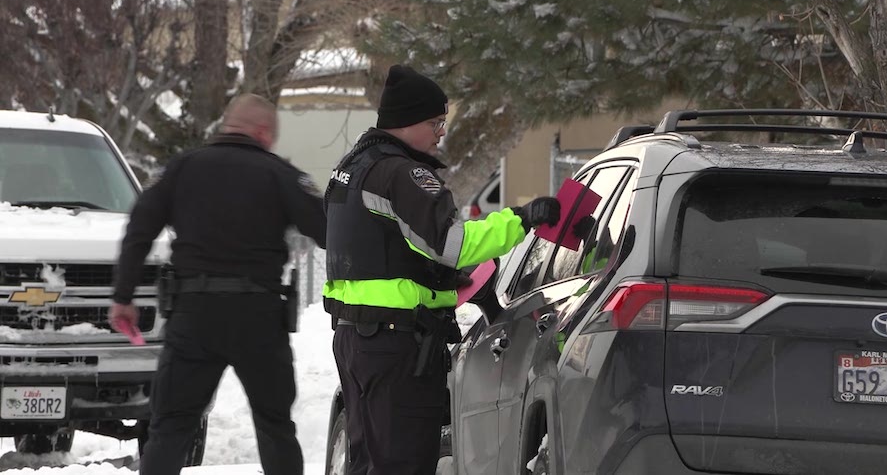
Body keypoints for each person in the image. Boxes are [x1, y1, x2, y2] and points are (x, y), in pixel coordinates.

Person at [323, 64, 561, 475]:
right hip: (397, 345)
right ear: (407, 120)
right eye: (435, 122)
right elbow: (454, 244)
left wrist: (438, 278)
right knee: (403, 464)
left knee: (368, 464)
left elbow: (377, 245)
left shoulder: (352, 168)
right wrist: (522, 219)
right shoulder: (403, 174)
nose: (442, 132)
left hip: (355, 338)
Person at [108, 94, 326, 475]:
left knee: (171, 428)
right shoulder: (281, 175)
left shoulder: (181, 168)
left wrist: (123, 296)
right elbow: (329, 230)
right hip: (259, 318)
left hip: (194, 315)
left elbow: (138, 229)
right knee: (275, 427)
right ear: (263, 132)